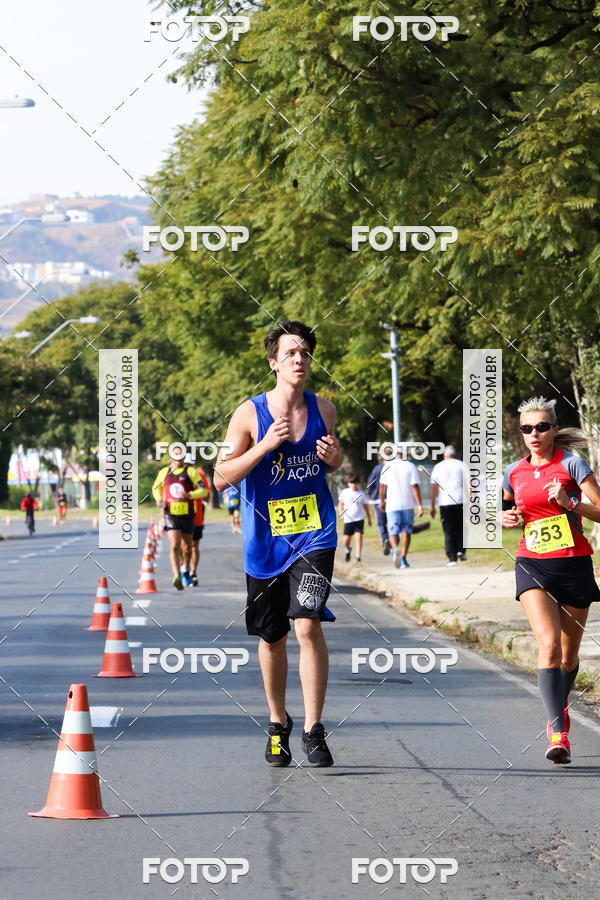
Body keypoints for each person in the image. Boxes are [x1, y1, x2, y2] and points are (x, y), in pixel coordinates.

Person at [213, 320, 342, 768]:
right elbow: (221, 477)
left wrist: (336, 458)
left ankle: (313, 729)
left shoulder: (325, 408)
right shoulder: (249, 415)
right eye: (289, 353)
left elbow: (334, 457)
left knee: (306, 624)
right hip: (266, 541)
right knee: (273, 635)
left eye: (305, 352)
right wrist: (263, 446)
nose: (299, 359)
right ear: (273, 362)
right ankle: (277, 722)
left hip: (315, 532)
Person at [502, 396, 600, 765]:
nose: (534, 434)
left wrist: (571, 504)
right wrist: (505, 519)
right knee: (548, 647)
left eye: (542, 426)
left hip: (574, 565)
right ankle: (558, 731)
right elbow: (508, 508)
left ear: (554, 430)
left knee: (568, 655)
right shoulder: (513, 471)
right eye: (527, 428)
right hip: (533, 564)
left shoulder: (572, 465)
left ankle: (559, 708)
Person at [152, 447, 208, 590]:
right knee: (174, 545)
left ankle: (185, 570)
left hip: (188, 515)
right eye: (176, 454)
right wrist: (158, 499)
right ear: (171, 456)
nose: (178, 457)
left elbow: (203, 491)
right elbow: (155, 488)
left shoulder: (191, 472)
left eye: (181, 455)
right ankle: (176, 575)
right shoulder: (164, 472)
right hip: (171, 514)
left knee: (187, 548)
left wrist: (190, 495)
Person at [379, 450, 423, 568]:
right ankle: (403, 558)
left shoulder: (387, 466)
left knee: (393, 531)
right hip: (407, 504)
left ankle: (394, 549)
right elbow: (414, 486)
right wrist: (419, 505)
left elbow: (382, 486)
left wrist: (382, 502)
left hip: (392, 504)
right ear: (406, 454)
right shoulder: (411, 466)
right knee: (406, 531)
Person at [430, 445, 467, 567]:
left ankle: (452, 558)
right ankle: (461, 550)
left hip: (445, 502)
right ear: (455, 454)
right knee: (461, 527)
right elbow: (470, 484)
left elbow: (434, 488)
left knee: (448, 530)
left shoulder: (438, 467)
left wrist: (432, 505)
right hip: (460, 500)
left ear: (444, 455)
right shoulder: (462, 464)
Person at [185, 454, 210, 587]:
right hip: (180, 514)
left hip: (196, 516)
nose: (187, 466)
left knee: (194, 546)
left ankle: (193, 572)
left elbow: (206, 492)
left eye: (189, 464)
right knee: (183, 547)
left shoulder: (199, 474)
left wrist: (204, 505)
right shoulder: (176, 474)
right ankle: (185, 570)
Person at [338, 473, 372, 563]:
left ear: (358, 483)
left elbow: (366, 507)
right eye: (351, 482)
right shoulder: (345, 492)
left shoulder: (361, 493)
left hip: (359, 519)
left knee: (359, 537)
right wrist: (341, 513)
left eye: (355, 482)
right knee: (346, 540)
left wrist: (369, 519)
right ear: (348, 483)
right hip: (348, 520)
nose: (353, 484)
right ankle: (348, 549)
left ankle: (358, 556)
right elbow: (340, 504)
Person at [367, 450, 391, 555]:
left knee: (381, 523)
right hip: (392, 499)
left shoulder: (377, 469)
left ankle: (385, 540)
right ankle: (392, 540)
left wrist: (369, 493)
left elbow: (370, 483)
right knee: (391, 521)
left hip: (378, 499)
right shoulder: (394, 467)